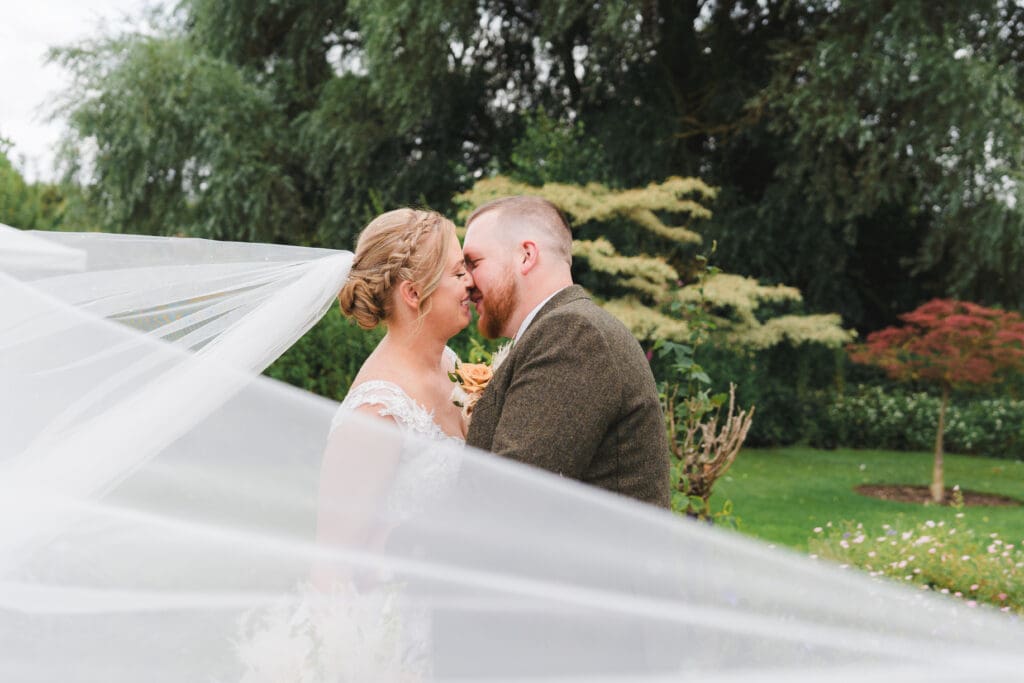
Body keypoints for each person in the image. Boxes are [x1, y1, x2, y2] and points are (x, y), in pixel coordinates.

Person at [462, 195, 671, 509]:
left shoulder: (572, 334)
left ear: (526, 256)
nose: (466, 281)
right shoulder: (563, 328)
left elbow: (510, 498)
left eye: (474, 263)